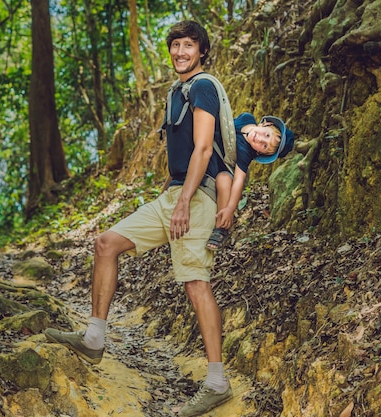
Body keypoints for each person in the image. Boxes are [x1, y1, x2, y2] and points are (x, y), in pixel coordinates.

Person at [44, 20, 232, 417]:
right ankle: (94, 338)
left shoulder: (201, 87)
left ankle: (217, 382)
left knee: (196, 282)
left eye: (189, 46)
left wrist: (183, 201)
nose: (181, 52)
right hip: (174, 193)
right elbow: (181, 152)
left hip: (196, 198)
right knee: (105, 244)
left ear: (202, 51)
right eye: (176, 45)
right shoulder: (175, 92)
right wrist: (169, 192)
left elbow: (202, 149)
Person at [206, 112, 294, 250]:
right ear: (266, 124)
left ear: (260, 154)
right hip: (207, 149)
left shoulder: (245, 151)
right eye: (267, 135)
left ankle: (220, 228)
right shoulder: (246, 118)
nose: (260, 139)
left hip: (221, 167)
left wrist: (230, 208)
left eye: (264, 146)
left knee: (224, 180)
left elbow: (239, 180)